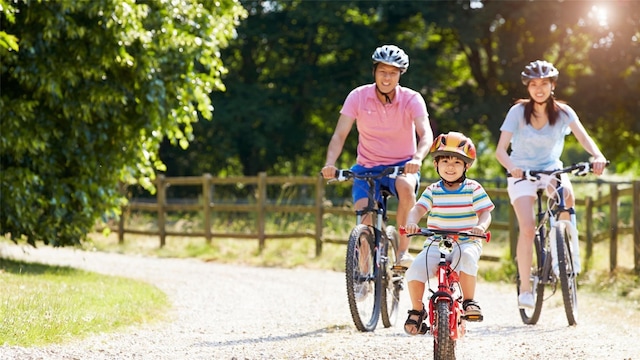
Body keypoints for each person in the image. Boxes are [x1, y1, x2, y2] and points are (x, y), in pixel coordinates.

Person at [495, 60, 608, 309]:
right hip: (521, 172)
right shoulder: (517, 112)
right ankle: (525, 288)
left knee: (566, 193)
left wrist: (597, 156)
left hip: (550, 169)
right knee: (527, 228)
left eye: (544, 84)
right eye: (533, 84)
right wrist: (511, 167)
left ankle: (564, 252)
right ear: (528, 87)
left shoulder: (564, 112)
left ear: (552, 85)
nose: (539, 89)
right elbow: (500, 150)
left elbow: (584, 138)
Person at [321, 44, 434, 267]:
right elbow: (339, 134)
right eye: (382, 71)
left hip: (402, 166)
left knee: (406, 187)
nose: (387, 77)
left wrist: (417, 158)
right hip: (366, 167)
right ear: (374, 71)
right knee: (364, 212)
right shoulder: (358, 97)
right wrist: (330, 163)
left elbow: (426, 134)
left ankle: (402, 251)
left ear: (400, 75)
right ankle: (363, 270)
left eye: (393, 73)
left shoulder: (412, 99)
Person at [403, 131, 494, 335]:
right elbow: (418, 209)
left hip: (466, 241)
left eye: (456, 162)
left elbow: (485, 212)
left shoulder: (473, 188)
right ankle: (417, 311)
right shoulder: (433, 190)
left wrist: (480, 227)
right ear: (436, 164)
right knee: (415, 269)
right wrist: (411, 222)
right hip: (436, 242)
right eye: (444, 161)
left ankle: (469, 301)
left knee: (469, 258)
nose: (450, 167)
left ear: (466, 166)